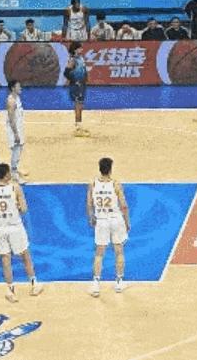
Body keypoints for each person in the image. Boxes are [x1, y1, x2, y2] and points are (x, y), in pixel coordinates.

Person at [0, 164, 43, 303]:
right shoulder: (15, 187)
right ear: (6, 175)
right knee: (25, 255)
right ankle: (34, 284)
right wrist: (15, 207)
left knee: (5, 259)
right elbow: (24, 209)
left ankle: (10, 290)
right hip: (15, 226)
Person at [87, 157, 130, 297]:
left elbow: (89, 204)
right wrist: (127, 222)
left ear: (100, 169)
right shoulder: (116, 184)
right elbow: (124, 206)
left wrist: (91, 217)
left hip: (101, 220)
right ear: (110, 169)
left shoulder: (93, 184)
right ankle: (119, 282)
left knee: (99, 253)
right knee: (119, 251)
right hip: (115, 219)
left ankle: (96, 284)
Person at [63, 42, 90, 137]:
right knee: (78, 105)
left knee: (81, 105)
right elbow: (66, 73)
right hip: (76, 85)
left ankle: (79, 125)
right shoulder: (73, 60)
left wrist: (86, 79)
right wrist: (74, 80)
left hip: (82, 84)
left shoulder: (81, 58)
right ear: (75, 49)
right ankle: (78, 127)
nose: (81, 49)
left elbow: (84, 70)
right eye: (80, 48)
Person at [5, 80, 28, 185]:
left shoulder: (17, 98)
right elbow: (11, 119)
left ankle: (15, 169)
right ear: (13, 88)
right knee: (16, 152)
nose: (20, 88)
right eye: (18, 86)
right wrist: (15, 134)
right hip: (14, 130)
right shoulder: (11, 101)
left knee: (19, 149)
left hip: (19, 128)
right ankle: (14, 175)